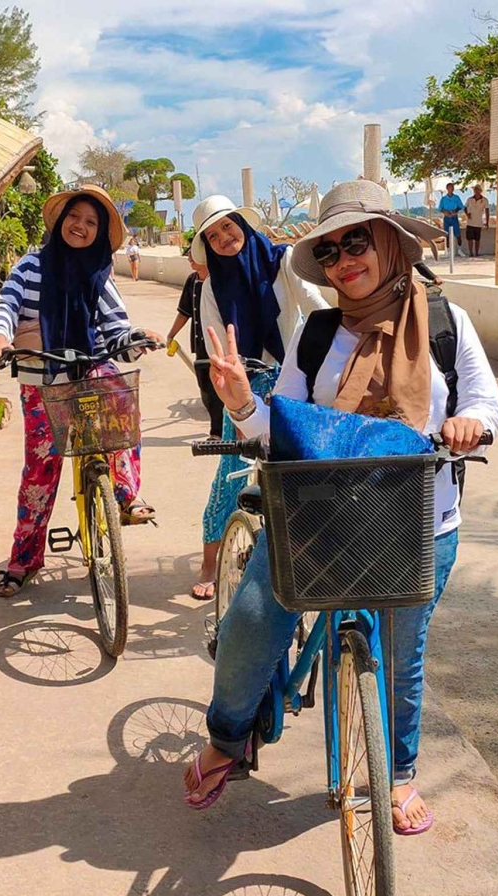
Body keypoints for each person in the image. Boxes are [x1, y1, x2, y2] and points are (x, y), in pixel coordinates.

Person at [184, 180, 498, 834]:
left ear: (390, 241)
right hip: (317, 521)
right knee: (250, 621)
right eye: (328, 252)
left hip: (418, 520)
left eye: (356, 241)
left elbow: (484, 400)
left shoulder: (446, 322)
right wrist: (242, 401)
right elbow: (279, 429)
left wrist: (470, 423)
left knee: (403, 653)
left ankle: (399, 772)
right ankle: (228, 735)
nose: (343, 260)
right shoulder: (317, 333)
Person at [0, 185, 156, 598]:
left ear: (99, 233)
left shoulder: (101, 274)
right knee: (40, 472)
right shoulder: (31, 266)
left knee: (122, 403)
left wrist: (138, 338)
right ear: (61, 221)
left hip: (89, 368)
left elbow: (116, 329)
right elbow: (6, 306)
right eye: (74, 217)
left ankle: (125, 495)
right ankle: (24, 560)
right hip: (43, 376)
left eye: (91, 222)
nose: (81, 226)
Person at [186, 194, 330, 602]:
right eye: (213, 236)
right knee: (231, 470)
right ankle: (211, 562)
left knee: (304, 466)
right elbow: (215, 340)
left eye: (227, 226)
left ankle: (307, 555)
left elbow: (316, 308)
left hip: (294, 379)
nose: (223, 238)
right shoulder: (211, 286)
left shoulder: (283, 261)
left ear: (243, 224)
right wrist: (232, 376)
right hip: (243, 383)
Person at [166, 251, 223, 439]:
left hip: (219, 346)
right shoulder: (192, 281)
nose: (189, 258)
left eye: (193, 254)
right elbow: (185, 312)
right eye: (188, 255)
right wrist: (171, 334)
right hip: (200, 344)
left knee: (219, 388)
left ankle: (217, 432)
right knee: (205, 388)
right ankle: (219, 428)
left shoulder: (219, 279)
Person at [437, 182, 464, 253]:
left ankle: (460, 250)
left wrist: (455, 211)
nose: (451, 189)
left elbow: (460, 206)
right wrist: (445, 212)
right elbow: (440, 208)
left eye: (452, 188)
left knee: (457, 233)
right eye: (450, 187)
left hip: (454, 216)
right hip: (446, 217)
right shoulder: (443, 199)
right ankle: (448, 250)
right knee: (446, 234)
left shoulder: (456, 197)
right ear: (447, 188)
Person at [465, 183, 490, 257]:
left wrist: (487, 222)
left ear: (481, 191)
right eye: (475, 190)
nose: (476, 191)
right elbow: (465, 207)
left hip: (479, 222)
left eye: (478, 190)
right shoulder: (469, 199)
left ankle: (476, 252)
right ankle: (471, 253)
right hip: (470, 222)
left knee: (477, 239)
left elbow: (487, 211)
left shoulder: (484, 200)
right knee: (469, 238)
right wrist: (467, 214)